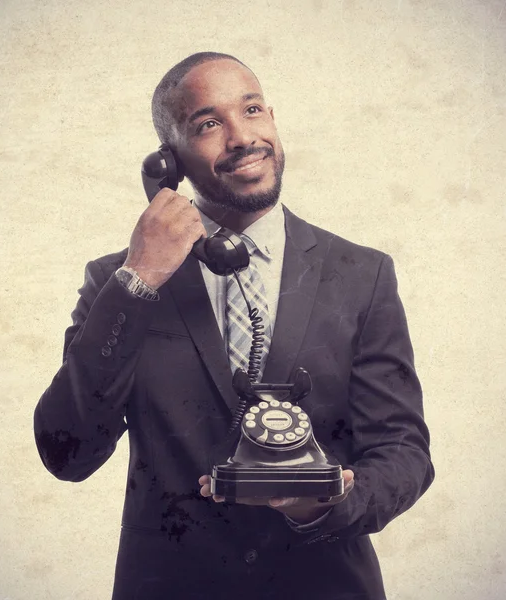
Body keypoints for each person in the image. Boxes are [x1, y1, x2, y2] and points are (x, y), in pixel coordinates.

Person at [33, 52, 435, 600]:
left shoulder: (361, 274)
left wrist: (326, 504)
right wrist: (141, 278)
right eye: (208, 123)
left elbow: (403, 452)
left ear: (272, 116)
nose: (242, 137)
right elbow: (67, 453)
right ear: (167, 161)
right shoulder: (119, 283)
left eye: (251, 110)